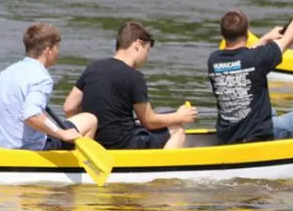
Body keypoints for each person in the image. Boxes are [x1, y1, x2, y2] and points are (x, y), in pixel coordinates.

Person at [62, 21, 197, 149]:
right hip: (123, 143)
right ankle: (163, 170)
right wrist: (180, 116)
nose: (147, 57)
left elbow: (69, 107)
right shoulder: (134, 76)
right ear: (138, 44)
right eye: (147, 50)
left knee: (164, 117)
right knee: (177, 129)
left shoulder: (92, 68)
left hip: (96, 142)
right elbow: (149, 121)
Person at [210, 0, 293, 145]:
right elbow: (288, 38)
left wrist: (265, 39)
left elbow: (242, 57)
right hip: (256, 135)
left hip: (228, 134)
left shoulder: (214, 60)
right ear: (247, 32)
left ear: (223, 35)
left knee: (271, 112)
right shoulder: (256, 58)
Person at [0, 23, 98, 150]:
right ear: (48, 51)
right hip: (29, 148)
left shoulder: (6, 72)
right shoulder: (42, 78)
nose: (58, 52)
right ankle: (79, 165)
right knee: (90, 119)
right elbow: (32, 116)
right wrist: (62, 133)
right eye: (57, 48)